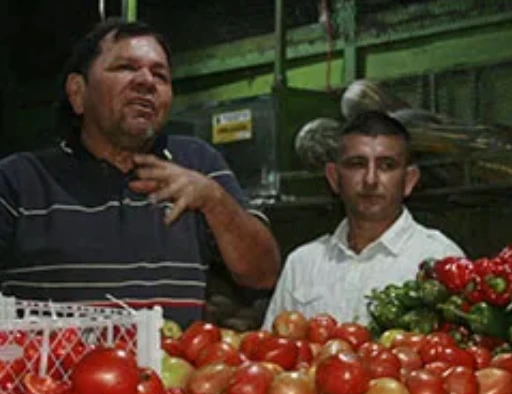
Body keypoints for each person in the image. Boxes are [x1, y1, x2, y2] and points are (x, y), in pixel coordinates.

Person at [0, 18, 280, 328]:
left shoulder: (197, 162)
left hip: (172, 374)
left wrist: (213, 200)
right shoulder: (19, 181)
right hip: (53, 374)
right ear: (78, 93)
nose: (147, 81)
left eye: (160, 74)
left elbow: (263, 274)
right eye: (126, 68)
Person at [263, 110, 464, 329]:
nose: (370, 180)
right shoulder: (302, 264)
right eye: (357, 164)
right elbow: (272, 351)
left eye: (387, 165)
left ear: (409, 180)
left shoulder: (442, 259)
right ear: (334, 178)